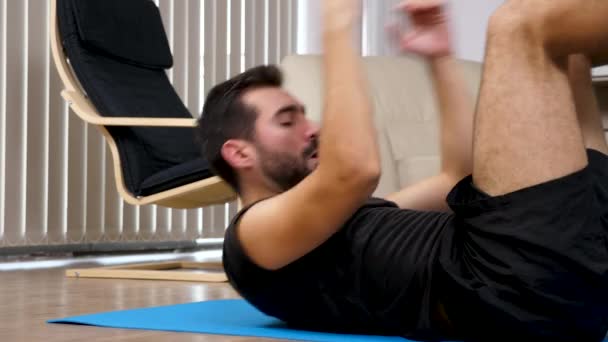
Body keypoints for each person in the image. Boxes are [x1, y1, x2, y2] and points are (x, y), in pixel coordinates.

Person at [196, 0, 608, 341]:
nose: (313, 127)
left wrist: (439, 57)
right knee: (519, 27)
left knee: (571, 55)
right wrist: (338, 29)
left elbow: (456, 175)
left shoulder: (340, 225)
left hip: (557, 272)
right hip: (510, 282)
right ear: (240, 154)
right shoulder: (250, 237)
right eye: (288, 121)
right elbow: (355, 169)